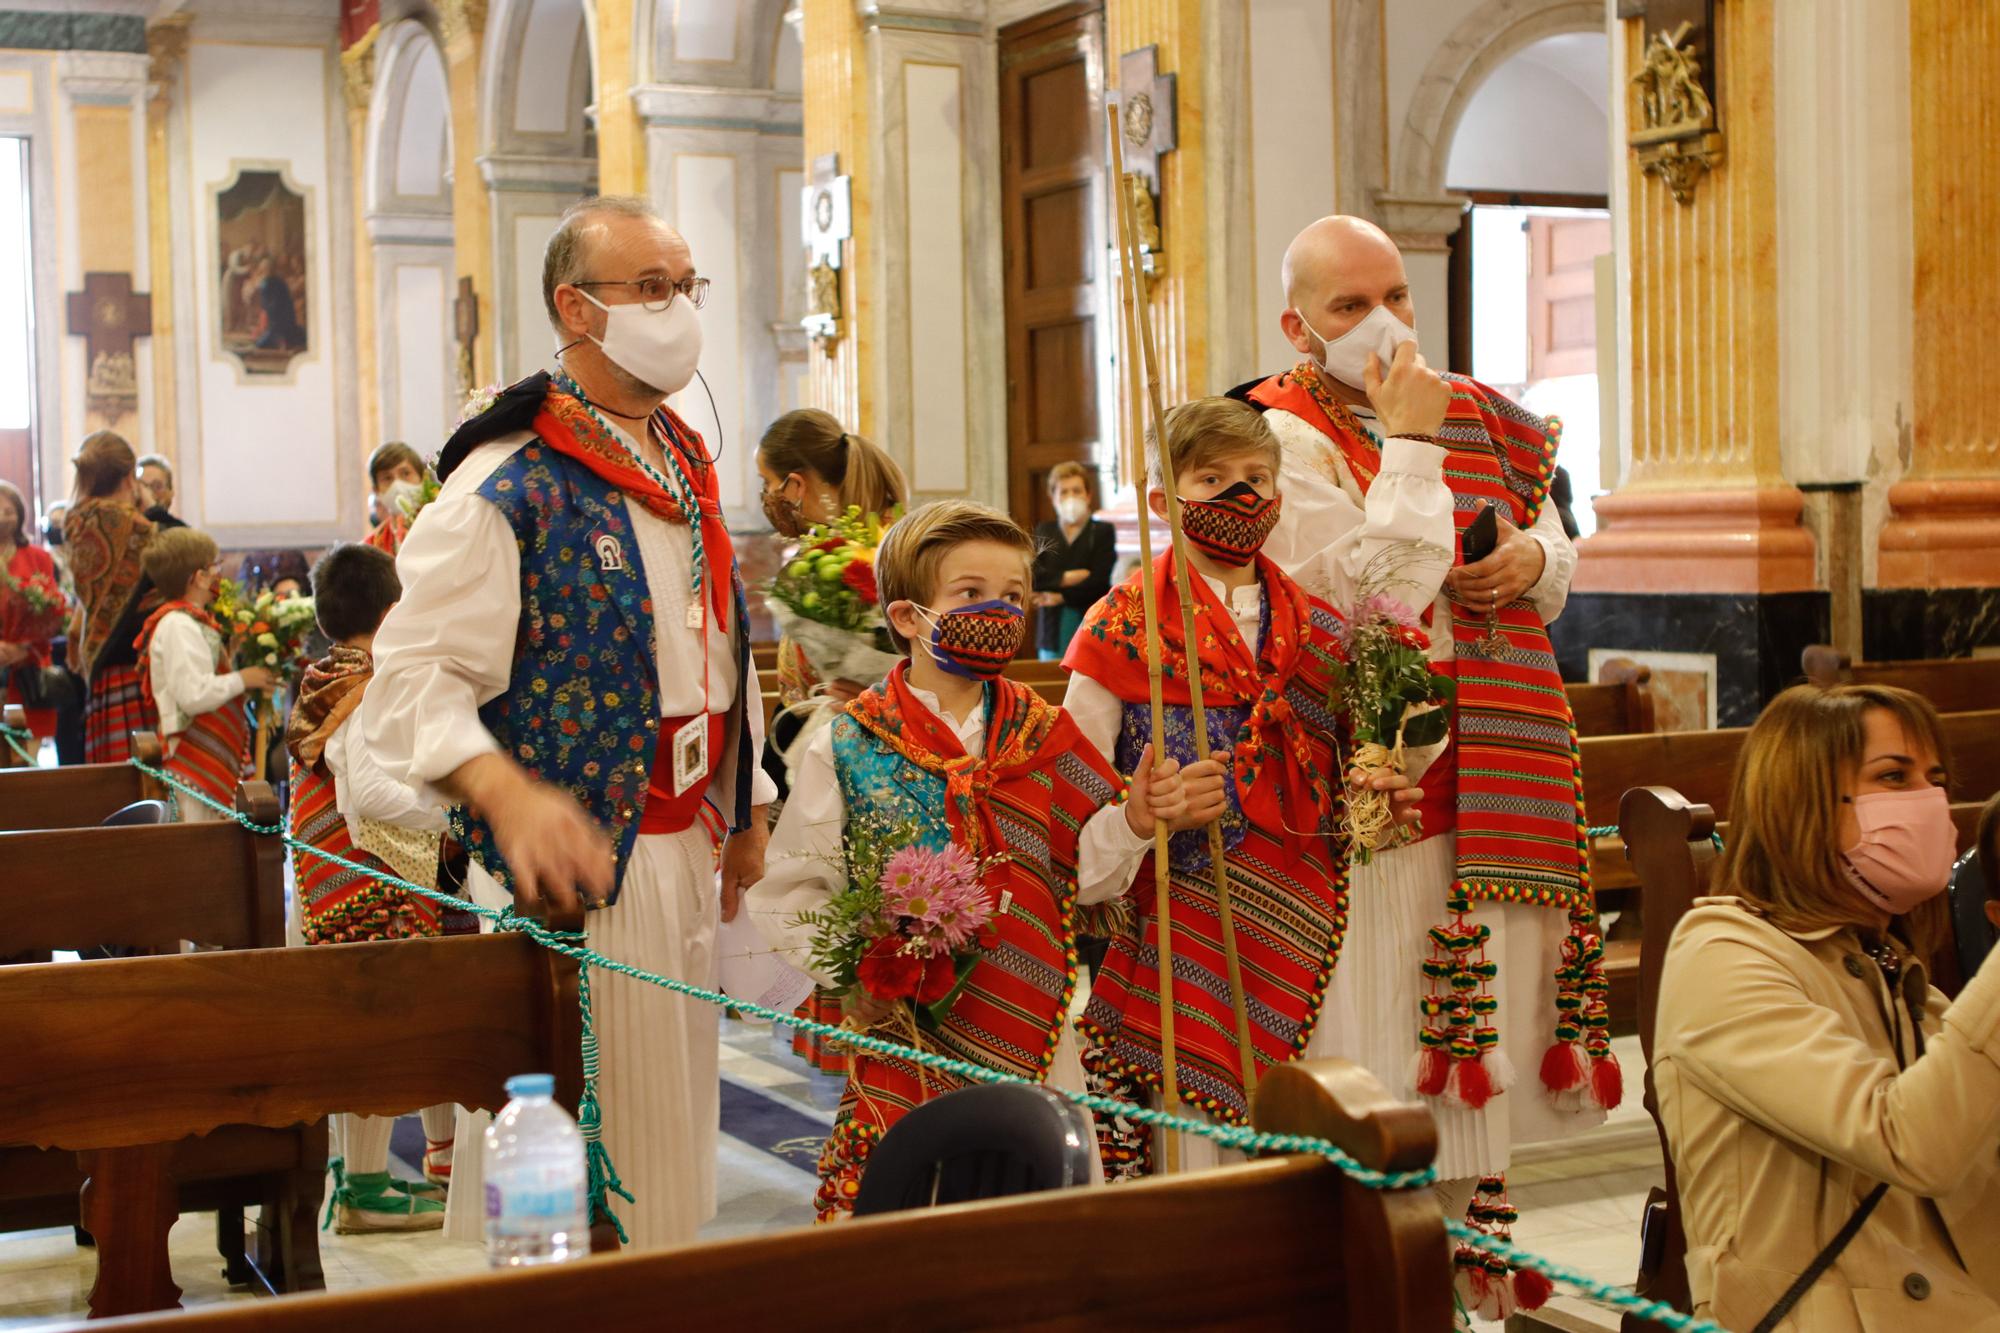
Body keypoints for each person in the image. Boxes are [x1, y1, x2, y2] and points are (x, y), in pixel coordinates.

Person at [362, 193, 775, 1251]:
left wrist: (748, 797)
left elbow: (714, 632)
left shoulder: (678, 453)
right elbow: (414, 676)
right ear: (575, 309)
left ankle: (664, 1289)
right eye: (649, 287)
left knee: (675, 1129)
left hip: (685, 834)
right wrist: (503, 792)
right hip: (576, 852)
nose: (677, 306)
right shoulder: (506, 479)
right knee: (581, 1153)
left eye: (686, 284)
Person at [1236, 216, 1611, 1235]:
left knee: (1476, 1028)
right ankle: (1377, 1248)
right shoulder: (1273, 436)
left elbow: (1551, 541)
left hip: (1491, 765)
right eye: (1349, 306)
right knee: (1386, 1022)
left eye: (1395, 297)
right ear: (1297, 324)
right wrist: (1405, 439)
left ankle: (1469, 1261)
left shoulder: (1480, 414)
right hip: (1364, 781)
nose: (1382, 323)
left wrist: (1533, 565)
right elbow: (1365, 593)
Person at [747, 499, 1197, 1218]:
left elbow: (1086, 871)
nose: (997, 609)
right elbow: (796, 880)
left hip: (1036, 1015)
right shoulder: (851, 742)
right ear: (906, 617)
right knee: (914, 1203)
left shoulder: (1045, 733)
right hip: (908, 1028)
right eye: (970, 594)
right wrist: (850, 966)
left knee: (1041, 1202)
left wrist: (1135, 819)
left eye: (1013, 595)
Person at [1062, 397, 1411, 1175]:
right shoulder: (1122, 630)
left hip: (1311, 921)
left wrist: (1378, 793)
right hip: (1180, 924)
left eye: (1257, 478)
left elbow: (1357, 766)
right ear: (1164, 502)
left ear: (1280, 497)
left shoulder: (1320, 628)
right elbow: (1070, 814)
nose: (1240, 497)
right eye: (1212, 479)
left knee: (1312, 1143)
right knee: (1202, 1161)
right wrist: (1138, 811)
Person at [1654, 684, 2000, 1332]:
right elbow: (1910, 1140)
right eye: (1893, 776)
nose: (1930, 801)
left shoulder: (1884, 963)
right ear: (1802, 799)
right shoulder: (1721, 955)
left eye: (1936, 779)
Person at [286, 542, 455, 1231]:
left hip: (331, 869)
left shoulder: (329, 671)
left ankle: (358, 1171)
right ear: (393, 611)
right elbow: (368, 793)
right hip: (361, 873)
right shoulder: (368, 683)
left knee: (371, 1026)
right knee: (377, 1028)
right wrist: (453, 812)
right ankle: (360, 1186)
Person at [755, 408, 909, 1074]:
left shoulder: (841, 562)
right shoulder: (885, 544)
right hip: (854, 751)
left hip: (850, 761)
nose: (765, 498)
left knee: (853, 912)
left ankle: (873, 1086)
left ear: (795, 483)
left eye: (766, 482)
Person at [133, 527, 269, 819]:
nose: (218, 574)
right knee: (199, 840)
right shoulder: (177, 625)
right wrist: (243, 678)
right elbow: (193, 695)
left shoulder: (190, 622)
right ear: (198, 577)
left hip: (201, 753)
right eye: (214, 567)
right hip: (190, 754)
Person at [64, 431, 163, 763]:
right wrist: (153, 508)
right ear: (128, 475)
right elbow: (182, 553)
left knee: (110, 774)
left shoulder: (74, 519)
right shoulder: (135, 525)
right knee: (143, 775)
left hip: (99, 660)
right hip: (133, 664)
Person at [0, 480, 67, 751]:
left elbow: (52, 609)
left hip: (28, 668)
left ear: (20, 515)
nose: (3, 518)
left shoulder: (38, 558)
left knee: (26, 759)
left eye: (8, 511)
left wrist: (22, 646)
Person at [1031, 461, 1117, 661]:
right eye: (1064, 492)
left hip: (1089, 619)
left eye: (1077, 491)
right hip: (1051, 627)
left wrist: (1061, 596)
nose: (1071, 497)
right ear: (1053, 498)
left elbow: (1099, 581)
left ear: (1088, 495)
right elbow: (1034, 576)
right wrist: (1068, 577)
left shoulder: (1102, 532)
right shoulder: (1045, 531)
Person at [362, 441, 428, 552]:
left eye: (406, 473)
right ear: (376, 491)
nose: (397, 484)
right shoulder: (372, 547)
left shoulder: (444, 523)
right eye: (387, 478)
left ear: (422, 478)